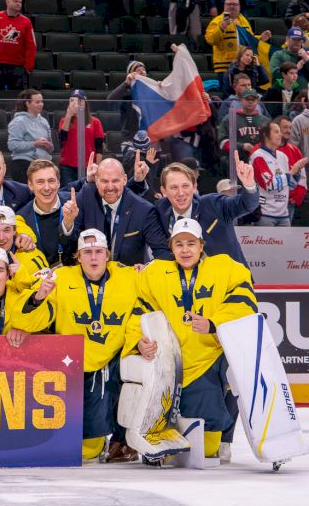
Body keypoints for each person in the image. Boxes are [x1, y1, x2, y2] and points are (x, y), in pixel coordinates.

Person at [133, 218, 258, 460]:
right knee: (175, 450)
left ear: (201, 245)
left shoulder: (224, 267)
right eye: (179, 244)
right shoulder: (154, 273)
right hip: (170, 361)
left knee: (207, 449)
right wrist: (139, 341)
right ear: (171, 248)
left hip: (208, 357)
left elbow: (245, 301)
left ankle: (222, 438)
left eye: (191, 244)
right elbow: (138, 313)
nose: (185, 250)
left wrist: (213, 324)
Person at [30, 229, 143, 462]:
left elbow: (149, 299)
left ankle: (122, 440)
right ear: (78, 257)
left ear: (107, 255)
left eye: (98, 252)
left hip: (111, 357)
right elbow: (32, 313)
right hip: (70, 361)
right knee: (85, 447)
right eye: (87, 252)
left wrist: (137, 339)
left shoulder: (130, 276)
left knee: (91, 446)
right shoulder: (60, 277)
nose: (93, 257)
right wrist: (37, 298)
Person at [61, 157, 171, 266]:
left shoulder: (143, 209)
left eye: (115, 181)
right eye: (104, 181)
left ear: (124, 180)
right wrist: (68, 223)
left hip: (128, 274)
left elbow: (162, 252)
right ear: (96, 180)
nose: (110, 187)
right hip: (90, 273)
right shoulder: (86, 196)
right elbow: (68, 247)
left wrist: (146, 268)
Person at [156, 160, 259, 262]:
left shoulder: (213, 204)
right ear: (164, 191)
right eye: (174, 187)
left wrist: (249, 185)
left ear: (194, 187)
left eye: (185, 186)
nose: (181, 193)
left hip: (229, 272)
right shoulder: (159, 212)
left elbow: (246, 205)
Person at [16, 160, 72, 266]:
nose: (46, 188)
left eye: (51, 181)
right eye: (40, 182)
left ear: (58, 183)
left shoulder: (74, 205)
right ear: (30, 185)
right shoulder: (22, 217)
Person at [248, 120, 301, 226]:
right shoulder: (258, 156)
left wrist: (296, 173)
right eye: (276, 132)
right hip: (265, 214)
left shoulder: (283, 156)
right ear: (265, 135)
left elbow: (291, 186)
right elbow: (269, 185)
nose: (280, 135)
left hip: (284, 215)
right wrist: (291, 173)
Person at [0, 0, 35, 93]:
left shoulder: (26, 21)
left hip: (18, 67)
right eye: (15, 1)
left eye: (20, 2)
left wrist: (28, 67)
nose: (18, 4)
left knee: (18, 97)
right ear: (7, 2)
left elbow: (31, 45)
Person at [205, 0, 270, 75]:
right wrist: (221, 28)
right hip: (224, 67)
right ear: (224, 6)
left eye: (235, 4)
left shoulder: (244, 21)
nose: (232, 6)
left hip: (244, 66)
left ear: (239, 7)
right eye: (229, 4)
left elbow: (248, 39)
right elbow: (210, 40)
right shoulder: (216, 21)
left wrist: (260, 38)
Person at [57, 90, 105, 186]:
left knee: (87, 191)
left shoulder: (95, 122)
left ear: (85, 103)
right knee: (68, 191)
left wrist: (97, 166)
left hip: (88, 165)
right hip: (68, 166)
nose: (77, 104)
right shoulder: (64, 120)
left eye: (80, 101)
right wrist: (69, 115)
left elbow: (99, 147)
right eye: (73, 101)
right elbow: (62, 139)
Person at [7, 90, 53, 182]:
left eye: (42, 102)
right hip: (24, 163)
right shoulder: (18, 121)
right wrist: (35, 144)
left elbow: (51, 147)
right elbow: (12, 145)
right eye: (37, 102)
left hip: (42, 163)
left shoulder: (43, 121)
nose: (41, 104)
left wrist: (48, 146)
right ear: (27, 103)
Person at [218, 87, 270, 163]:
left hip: (261, 161)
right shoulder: (230, 119)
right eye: (247, 99)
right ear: (241, 100)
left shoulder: (265, 121)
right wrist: (241, 146)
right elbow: (222, 143)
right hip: (237, 161)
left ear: (257, 101)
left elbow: (271, 142)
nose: (250, 101)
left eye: (253, 99)